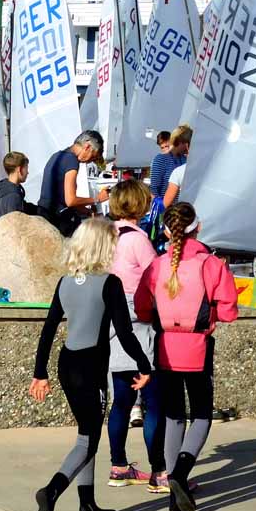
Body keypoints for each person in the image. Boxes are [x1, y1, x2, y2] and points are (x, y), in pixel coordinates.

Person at [30, 218, 152, 511]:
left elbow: (48, 329)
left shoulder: (65, 281)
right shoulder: (109, 283)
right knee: (88, 439)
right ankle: (51, 492)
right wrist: (144, 365)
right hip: (90, 369)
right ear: (102, 246)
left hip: (66, 365)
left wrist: (40, 372)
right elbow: (125, 334)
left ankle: (88, 506)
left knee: (87, 434)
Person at [135, 203, 238, 511]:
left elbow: (142, 307)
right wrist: (213, 316)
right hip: (197, 347)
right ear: (199, 227)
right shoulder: (211, 264)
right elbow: (229, 309)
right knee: (202, 414)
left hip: (164, 347)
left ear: (166, 231)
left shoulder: (157, 265)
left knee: (173, 416)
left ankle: (170, 485)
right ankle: (180, 472)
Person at [103, 180, 165, 493]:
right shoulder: (138, 239)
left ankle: (118, 465)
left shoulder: (105, 235)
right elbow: (156, 278)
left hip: (111, 320)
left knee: (121, 401)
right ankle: (159, 472)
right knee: (152, 401)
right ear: (138, 205)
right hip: (137, 319)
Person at [37, 130, 109, 237]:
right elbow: (70, 200)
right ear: (87, 147)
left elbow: (61, 197)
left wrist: (87, 212)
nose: (90, 161)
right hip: (58, 221)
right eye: (93, 156)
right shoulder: (72, 160)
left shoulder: (56, 156)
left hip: (44, 215)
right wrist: (97, 199)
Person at [149, 125, 191, 199]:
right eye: (162, 147)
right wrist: (159, 208)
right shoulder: (160, 159)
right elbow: (154, 189)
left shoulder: (185, 159)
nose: (165, 149)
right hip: (166, 207)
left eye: (167, 146)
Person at [0, 151, 34, 217]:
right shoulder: (14, 196)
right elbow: (15, 224)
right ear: (19, 170)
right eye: (26, 168)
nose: (27, 172)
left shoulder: (5, 190)